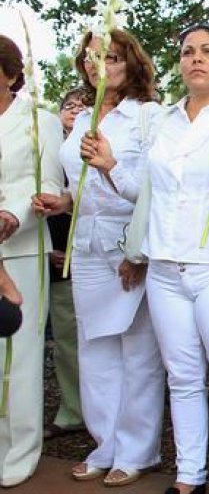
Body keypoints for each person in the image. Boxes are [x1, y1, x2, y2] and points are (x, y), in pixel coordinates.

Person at [32, 28, 166, 487]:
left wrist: (111, 166)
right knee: (95, 351)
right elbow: (80, 186)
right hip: (85, 244)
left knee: (138, 352)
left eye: (110, 56)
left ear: (131, 63)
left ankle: (138, 451)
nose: (98, 64)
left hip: (128, 245)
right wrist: (63, 202)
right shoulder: (84, 117)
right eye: (91, 57)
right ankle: (105, 444)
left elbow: (151, 192)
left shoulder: (147, 116)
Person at [137, 23, 209, 494]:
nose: (195, 59)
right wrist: (105, 169)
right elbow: (145, 192)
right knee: (181, 377)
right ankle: (187, 476)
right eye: (186, 52)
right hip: (163, 266)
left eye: (207, 51)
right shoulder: (163, 121)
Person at [0, 34, 63, 488]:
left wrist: (13, 214)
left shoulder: (39, 121)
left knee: (18, 355)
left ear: (9, 73)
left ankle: (19, 452)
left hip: (20, 248)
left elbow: (49, 183)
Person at [43, 87, 88, 442]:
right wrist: (48, 250)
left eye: (81, 105)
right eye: (68, 105)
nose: (74, 109)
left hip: (93, 254)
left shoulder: (97, 145)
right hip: (56, 261)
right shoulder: (48, 154)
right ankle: (73, 408)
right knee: (67, 341)